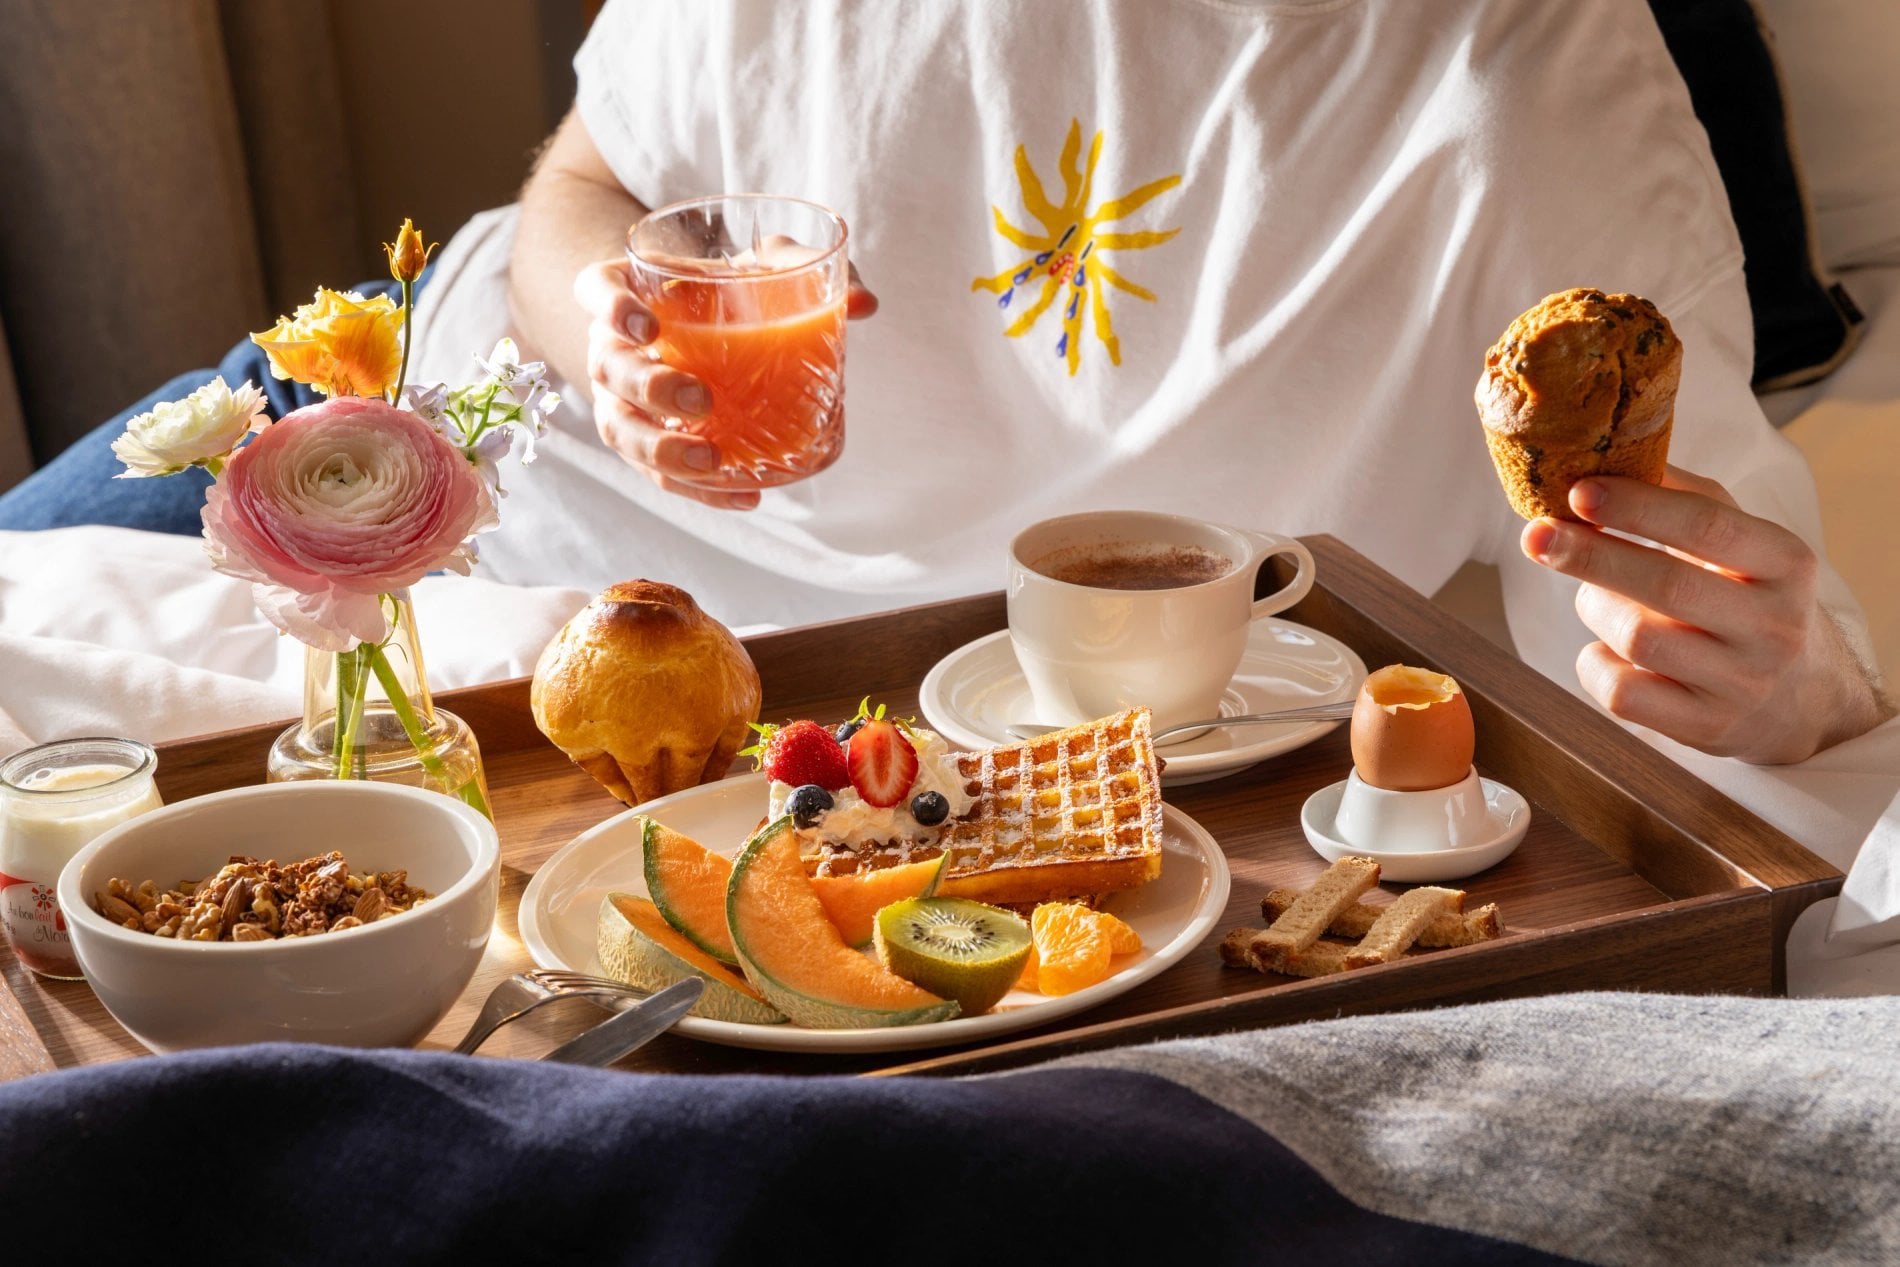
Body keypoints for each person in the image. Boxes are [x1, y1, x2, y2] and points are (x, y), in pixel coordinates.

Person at [2, 0, 1891, 775]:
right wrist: (618, 334)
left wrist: (1789, 687)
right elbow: (584, 181)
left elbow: (1713, 599)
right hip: (421, 423)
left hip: (914, 684)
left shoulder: (1509, 73)